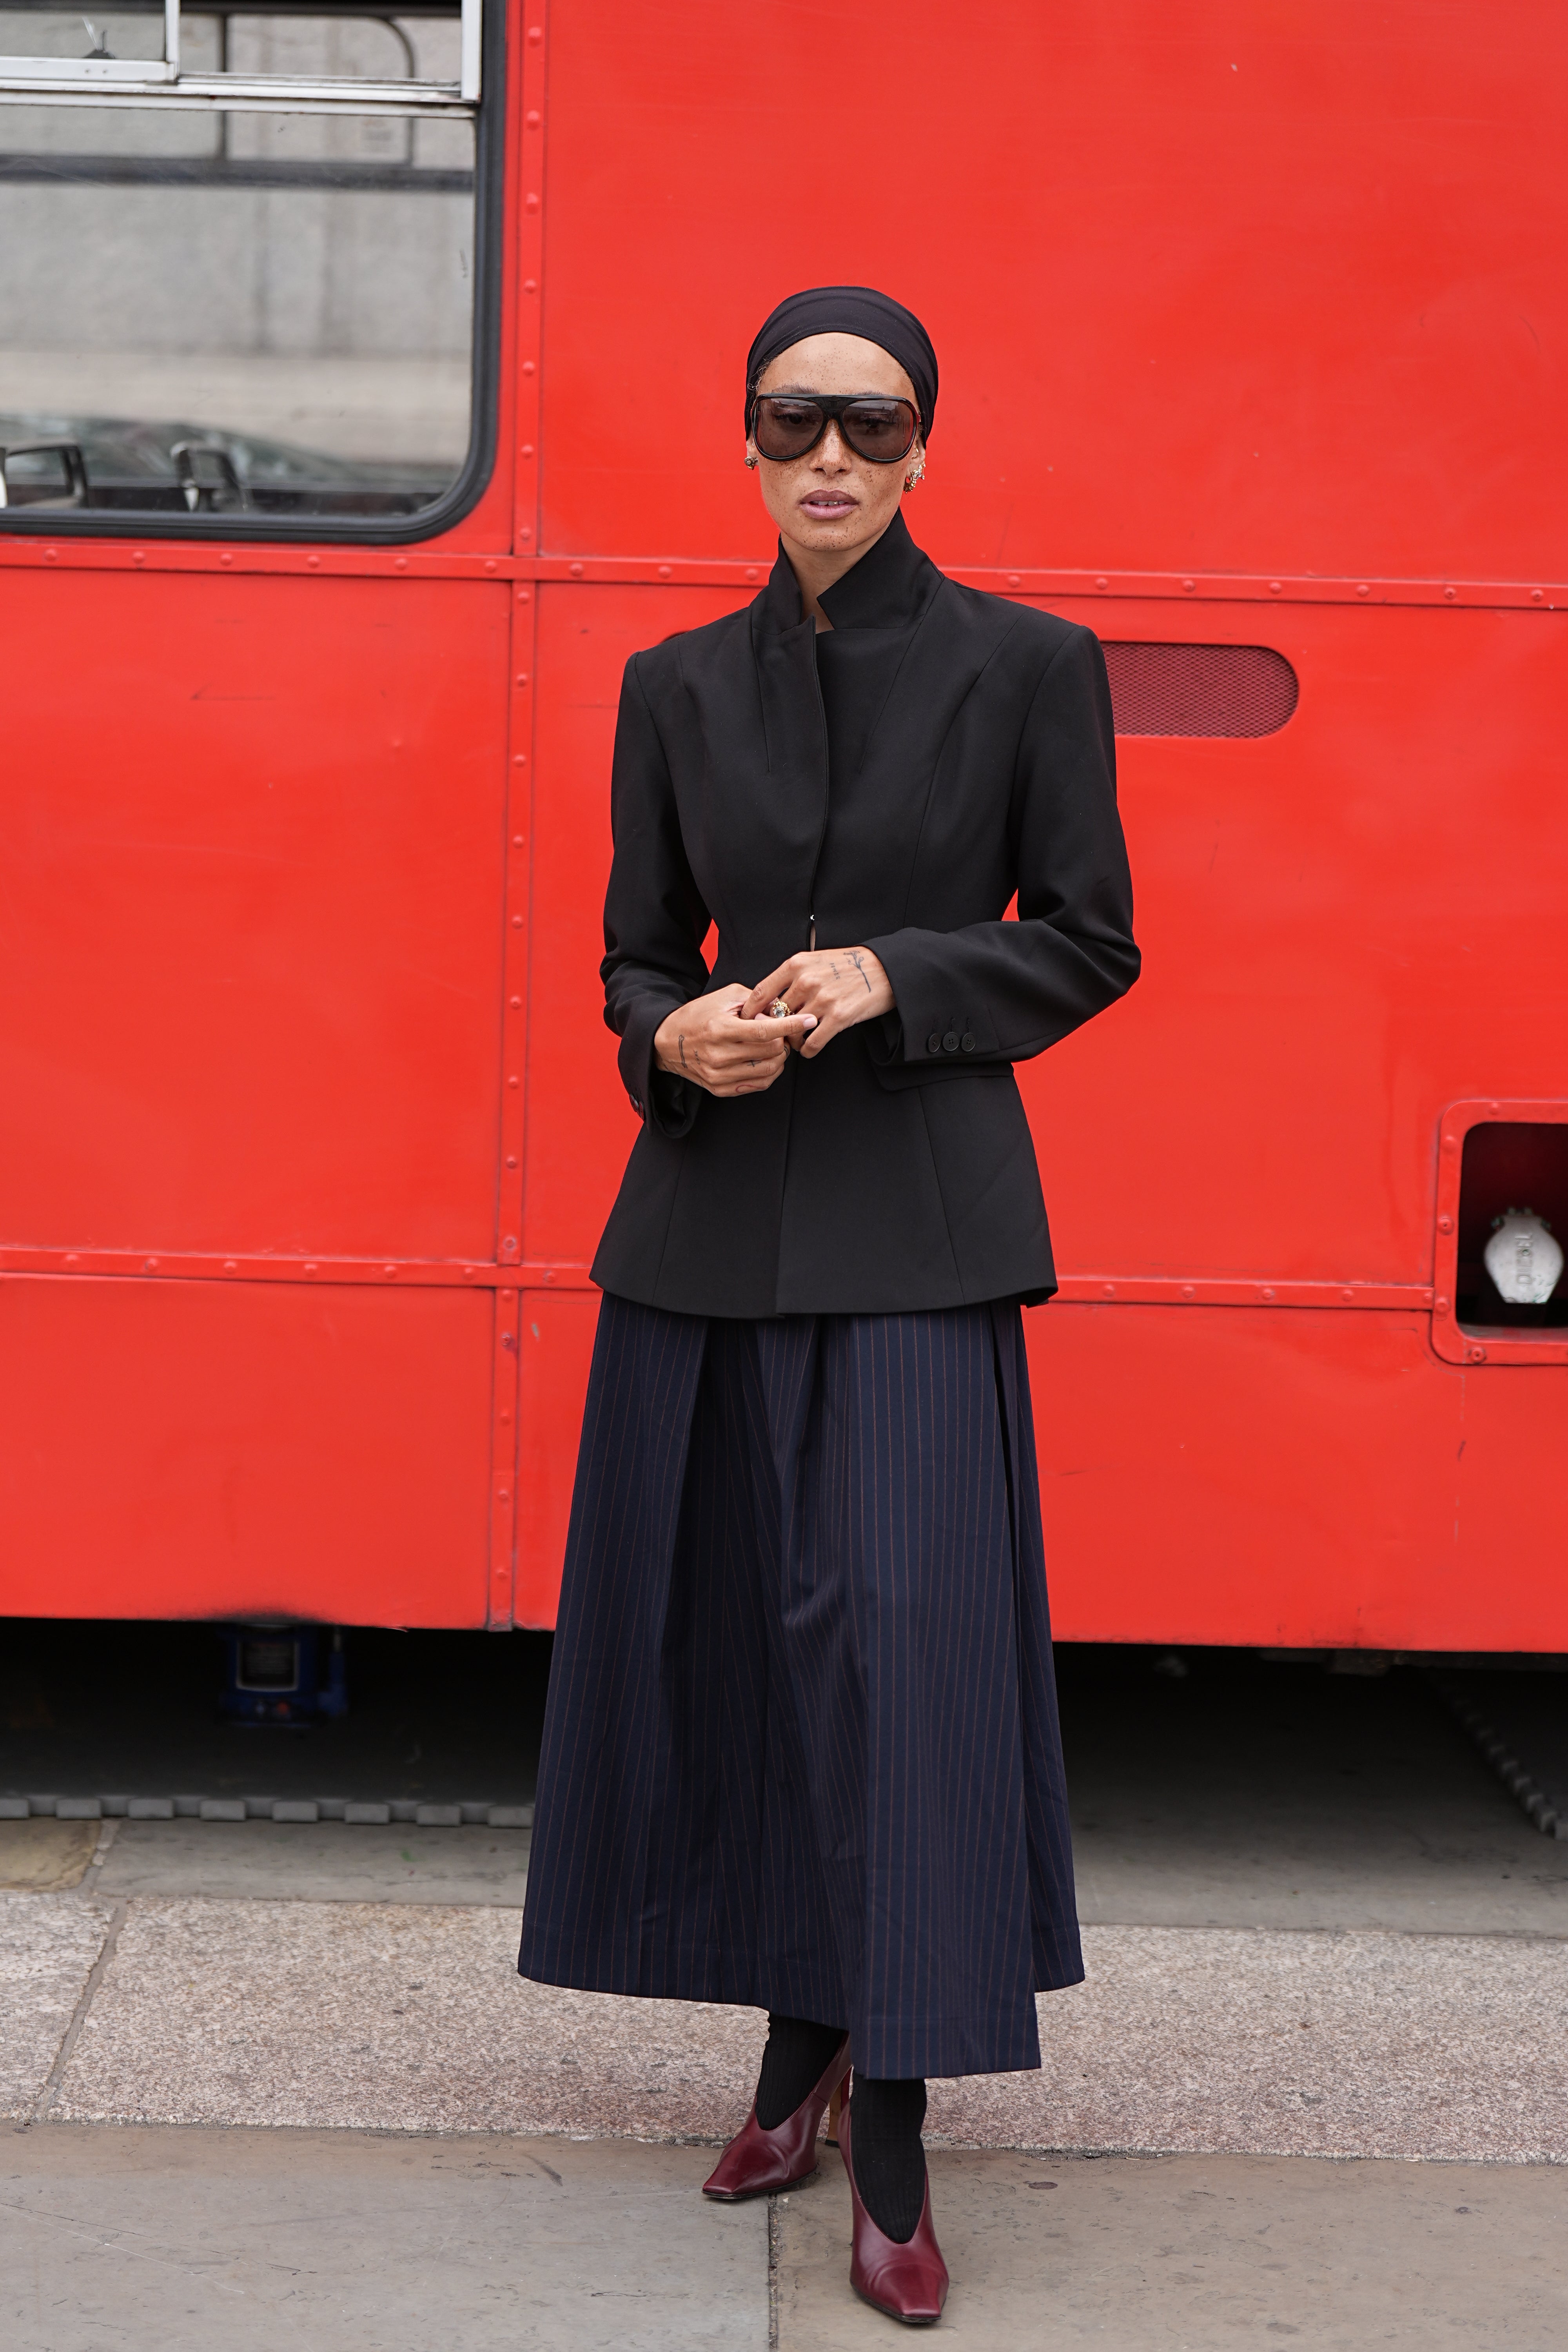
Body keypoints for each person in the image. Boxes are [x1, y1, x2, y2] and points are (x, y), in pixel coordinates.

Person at [519, 285, 1138, 2326]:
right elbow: (628, 953)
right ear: (750, 443)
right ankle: (794, 2046)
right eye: (795, 425)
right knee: (743, 1653)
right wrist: (665, 1033)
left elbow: (1097, 945)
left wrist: (905, 979)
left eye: (872, 428)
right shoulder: (672, 684)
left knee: (900, 1666)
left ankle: (892, 2133)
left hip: (922, 1235)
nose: (832, 462)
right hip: (699, 1239)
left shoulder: (1028, 669)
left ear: (928, 444)